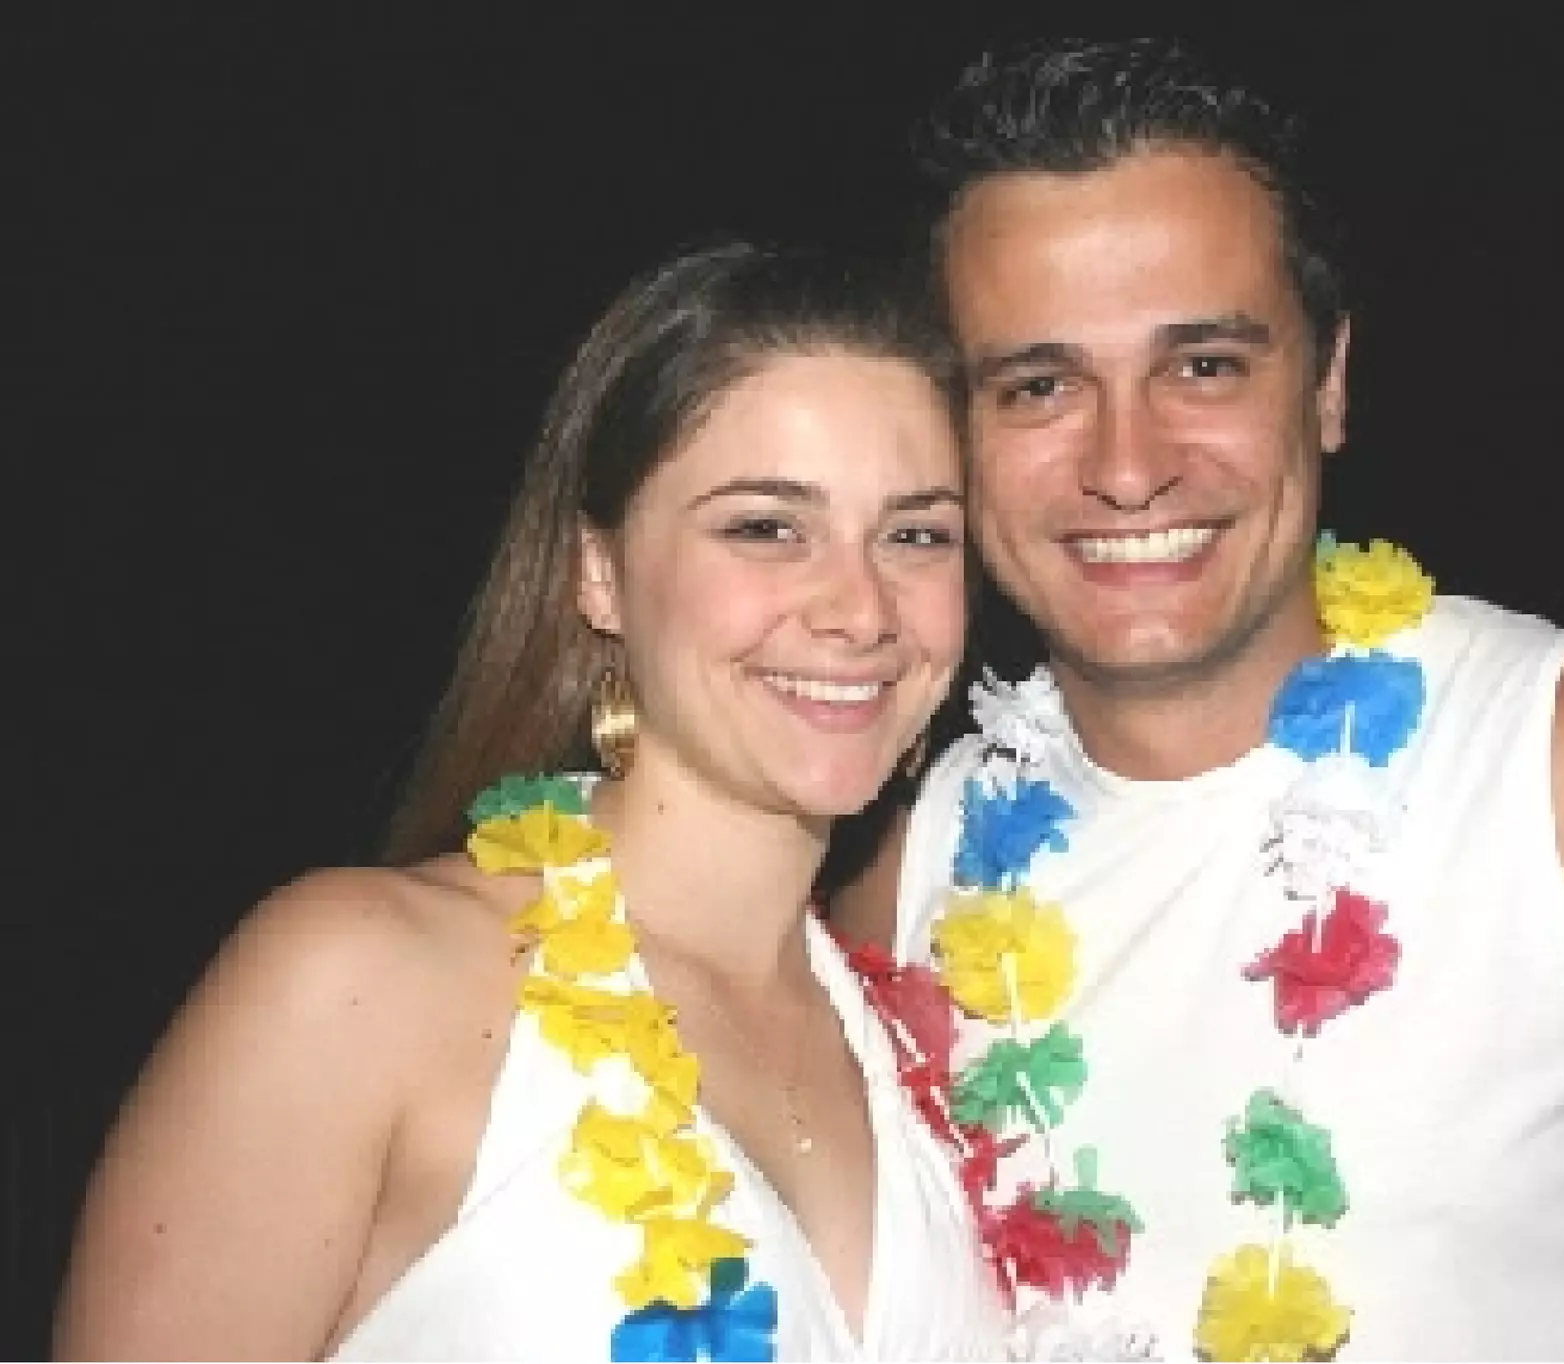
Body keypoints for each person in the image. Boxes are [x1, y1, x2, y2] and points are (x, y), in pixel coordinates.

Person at [833, 38, 1564, 1361]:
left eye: (1205, 367)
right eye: (1040, 387)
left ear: (1328, 383)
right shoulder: (917, 870)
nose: (1127, 466)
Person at [54, 241, 1011, 1360]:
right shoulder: (361, 980)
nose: (860, 609)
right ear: (598, 572)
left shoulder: (920, 1055)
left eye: (915, 535)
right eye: (766, 527)